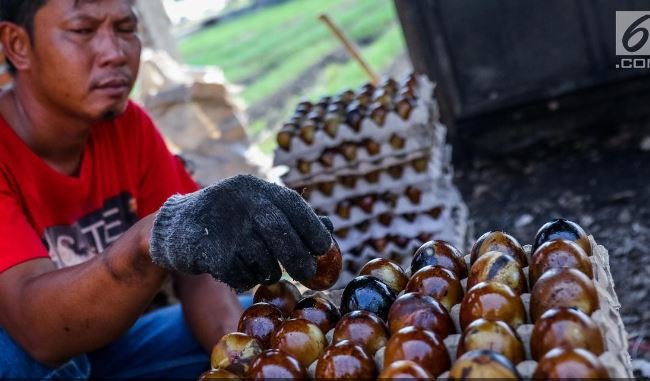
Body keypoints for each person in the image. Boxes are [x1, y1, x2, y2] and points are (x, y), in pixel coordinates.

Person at [0, 0, 334, 379]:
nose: (115, 53)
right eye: (83, 31)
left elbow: (197, 270)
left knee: (268, 322)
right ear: (17, 45)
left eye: (126, 29)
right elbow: (38, 332)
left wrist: (245, 358)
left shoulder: (129, 127)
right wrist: (150, 237)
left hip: (109, 348)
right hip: (38, 355)